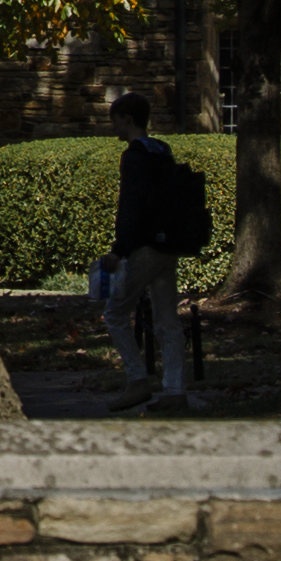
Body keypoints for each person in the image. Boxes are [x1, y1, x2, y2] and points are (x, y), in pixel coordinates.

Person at [93, 113, 210, 407]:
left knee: (116, 312)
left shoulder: (134, 158)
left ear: (129, 120)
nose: (113, 125)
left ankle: (137, 380)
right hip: (170, 243)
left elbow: (131, 205)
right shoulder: (162, 150)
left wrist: (118, 250)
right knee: (167, 319)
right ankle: (174, 390)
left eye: (116, 119)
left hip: (145, 246)